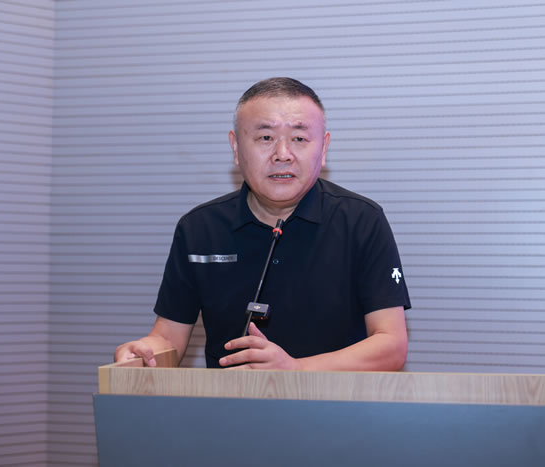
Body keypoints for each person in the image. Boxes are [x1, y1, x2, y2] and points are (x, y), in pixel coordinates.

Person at [114, 77, 411, 371]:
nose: (282, 155)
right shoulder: (199, 229)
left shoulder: (362, 221)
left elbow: (391, 344)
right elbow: (168, 337)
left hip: (334, 401)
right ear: (235, 147)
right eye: (266, 138)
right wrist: (144, 353)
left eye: (299, 139)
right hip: (229, 401)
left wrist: (294, 371)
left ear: (323, 149)